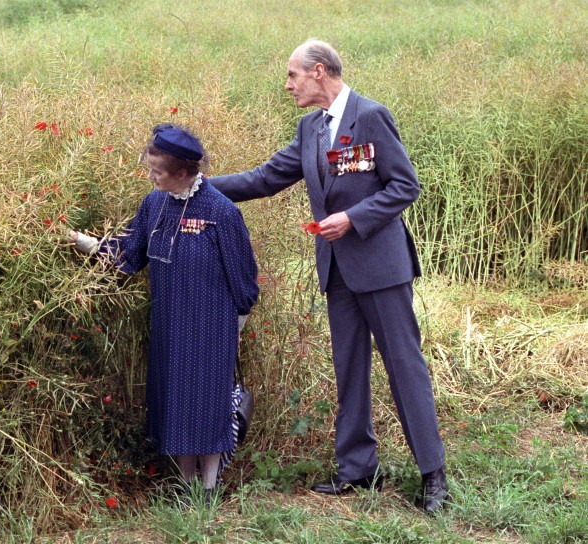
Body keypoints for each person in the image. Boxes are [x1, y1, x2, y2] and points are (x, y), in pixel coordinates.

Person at [210, 40, 448, 513]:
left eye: (293, 75)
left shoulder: (372, 116)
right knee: (349, 370)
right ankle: (358, 469)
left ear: (319, 72)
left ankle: (434, 476)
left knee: (405, 369)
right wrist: (196, 185)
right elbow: (264, 178)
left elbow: (405, 185)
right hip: (337, 272)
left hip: (381, 268)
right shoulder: (310, 129)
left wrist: (353, 218)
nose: (287, 84)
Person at [68, 124, 259, 503]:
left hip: (211, 327)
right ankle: (186, 486)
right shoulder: (153, 204)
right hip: (169, 323)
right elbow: (130, 253)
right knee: (176, 400)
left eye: (157, 170)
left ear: (184, 173)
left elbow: (243, 277)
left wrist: (237, 326)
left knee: (207, 402)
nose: (150, 175)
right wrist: (84, 243)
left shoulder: (221, 211)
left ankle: (209, 487)